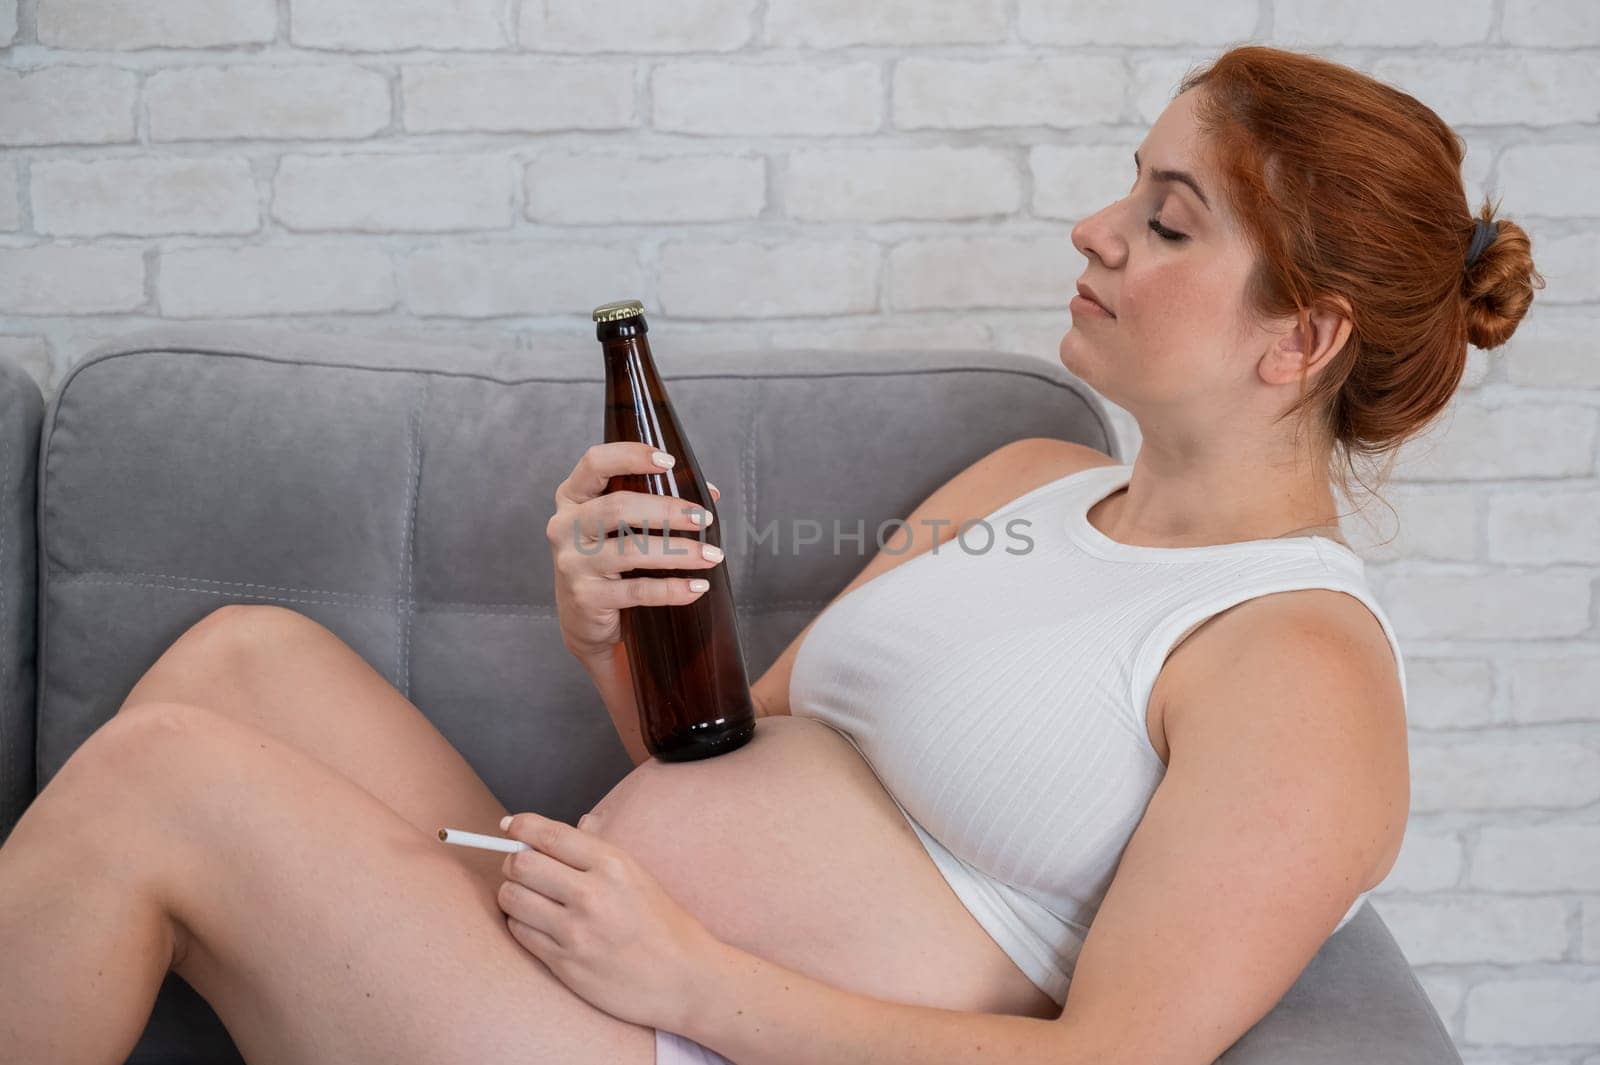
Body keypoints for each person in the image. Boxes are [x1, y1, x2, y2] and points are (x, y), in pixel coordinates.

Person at [0, 43, 1541, 1065]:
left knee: (161, 781)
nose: (1094, 229)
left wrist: (687, 980)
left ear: (1305, 337)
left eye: (1170, 218)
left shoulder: (1298, 665)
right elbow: (717, 753)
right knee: (238, 658)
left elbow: (1112, 1059)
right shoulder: (1035, 472)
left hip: (690, 1037)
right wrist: (611, 629)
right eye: (1126, 189)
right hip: (596, 960)